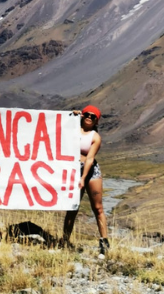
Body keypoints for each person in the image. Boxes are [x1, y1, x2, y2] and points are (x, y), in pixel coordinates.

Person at [61, 105, 109, 256]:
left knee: (98, 208)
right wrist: (72, 116)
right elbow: (59, 126)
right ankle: (65, 241)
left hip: (90, 172)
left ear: (96, 121)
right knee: (72, 207)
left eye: (93, 116)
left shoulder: (95, 137)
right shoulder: (73, 129)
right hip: (73, 169)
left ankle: (104, 242)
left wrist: (82, 178)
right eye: (86, 114)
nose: (89, 117)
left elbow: (90, 159)